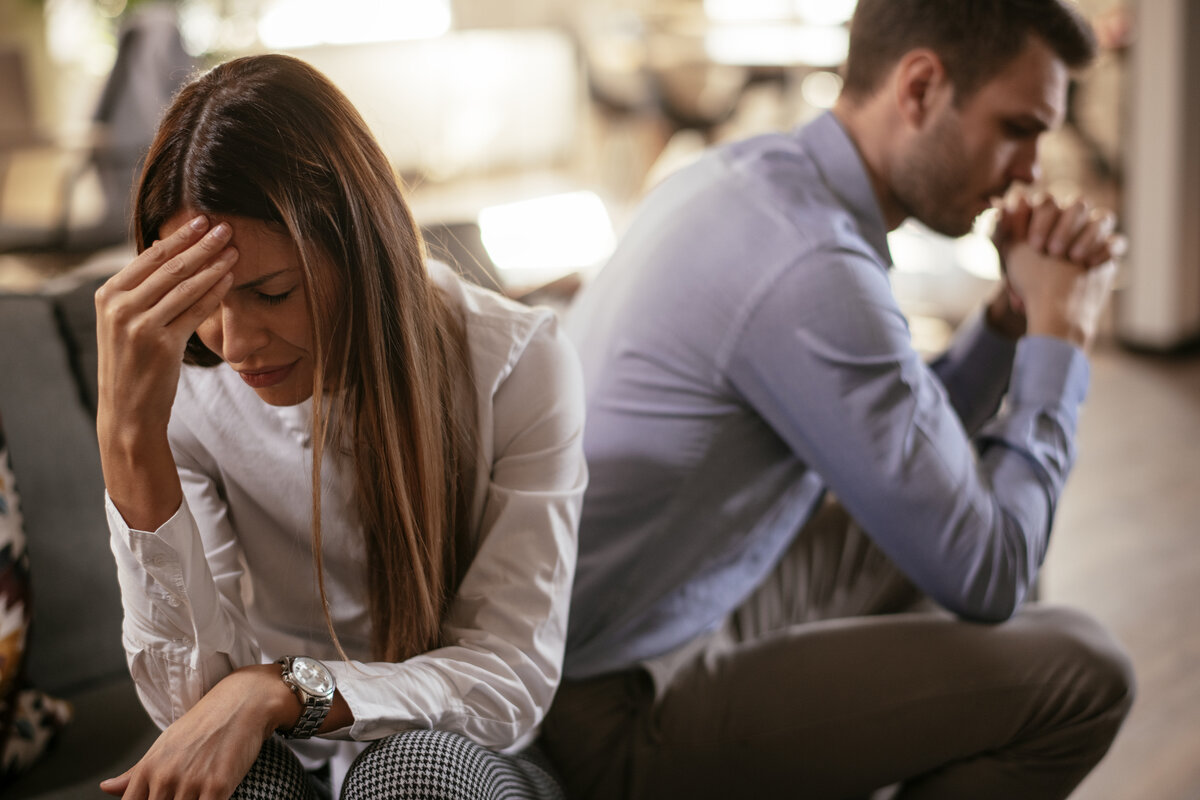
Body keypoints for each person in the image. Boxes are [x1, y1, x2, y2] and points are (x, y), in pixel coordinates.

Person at [541, 1, 1134, 798]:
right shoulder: (813, 265)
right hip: (614, 706)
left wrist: (1009, 321)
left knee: (983, 509)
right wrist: (1062, 336)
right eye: (1016, 128)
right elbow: (988, 573)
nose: (1030, 168)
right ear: (920, 88)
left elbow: (907, 445)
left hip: (678, 600)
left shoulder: (750, 179)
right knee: (1089, 676)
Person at [94, 54, 585, 800]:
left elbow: (506, 680)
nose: (237, 343)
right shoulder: (189, 392)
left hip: (470, 757)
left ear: (357, 246)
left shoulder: (514, 364)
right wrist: (131, 445)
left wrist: (284, 690)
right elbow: (188, 707)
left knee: (413, 774)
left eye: (270, 292)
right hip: (280, 756)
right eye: (204, 302)